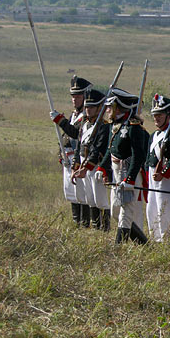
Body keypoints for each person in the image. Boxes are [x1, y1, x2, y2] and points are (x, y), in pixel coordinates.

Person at [101, 88, 149, 244]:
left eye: (110, 107)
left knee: (126, 211)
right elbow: (111, 150)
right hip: (116, 173)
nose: (107, 110)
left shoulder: (133, 127)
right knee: (115, 210)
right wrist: (102, 168)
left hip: (129, 172)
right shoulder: (115, 125)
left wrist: (130, 178)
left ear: (118, 107)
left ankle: (118, 246)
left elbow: (139, 155)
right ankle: (143, 243)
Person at [51, 75, 92, 227]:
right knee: (71, 193)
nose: (75, 99)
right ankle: (77, 222)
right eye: (73, 96)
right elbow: (65, 137)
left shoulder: (86, 116)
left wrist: (60, 120)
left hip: (79, 160)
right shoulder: (74, 115)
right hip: (68, 160)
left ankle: (85, 223)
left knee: (81, 194)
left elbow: (75, 133)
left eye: (78, 96)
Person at [69, 88, 112, 232]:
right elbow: (79, 147)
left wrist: (85, 168)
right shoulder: (84, 124)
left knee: (100, 200)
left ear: (100, 108)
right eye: (87, 106)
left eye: (92, 107)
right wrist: (75, 166)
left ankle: (103, 230)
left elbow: (98, 150)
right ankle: (94, 228)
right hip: (84, 165)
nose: (88, 109)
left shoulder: (104, 127)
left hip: (95, 166)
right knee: (89, 199)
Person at [144, 95, 170, 243]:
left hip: (165, 179)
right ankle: (156, 237)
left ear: (169, 116)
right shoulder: (154, 135)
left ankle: (169, 238)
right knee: (152, 208)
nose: (156, 118)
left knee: (166, 208)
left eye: (160, 115)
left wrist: (164, 173)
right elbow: (148, 158)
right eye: (155, 115)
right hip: (153, 177)